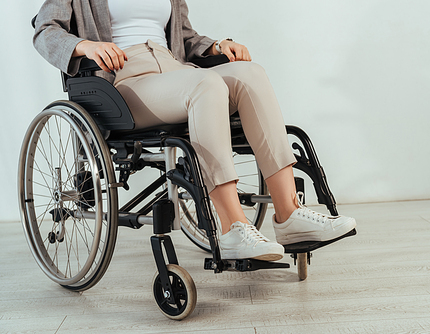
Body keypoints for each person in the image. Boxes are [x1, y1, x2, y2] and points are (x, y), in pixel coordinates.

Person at [33, 0, 356, 261]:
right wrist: (84, 46)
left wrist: (217, 45)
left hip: (175, 71)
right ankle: (233, 228)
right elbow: (44, 30)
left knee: (250, 74)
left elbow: (185, 38)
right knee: (207, 84)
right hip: (123, 80)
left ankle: (289, 215)